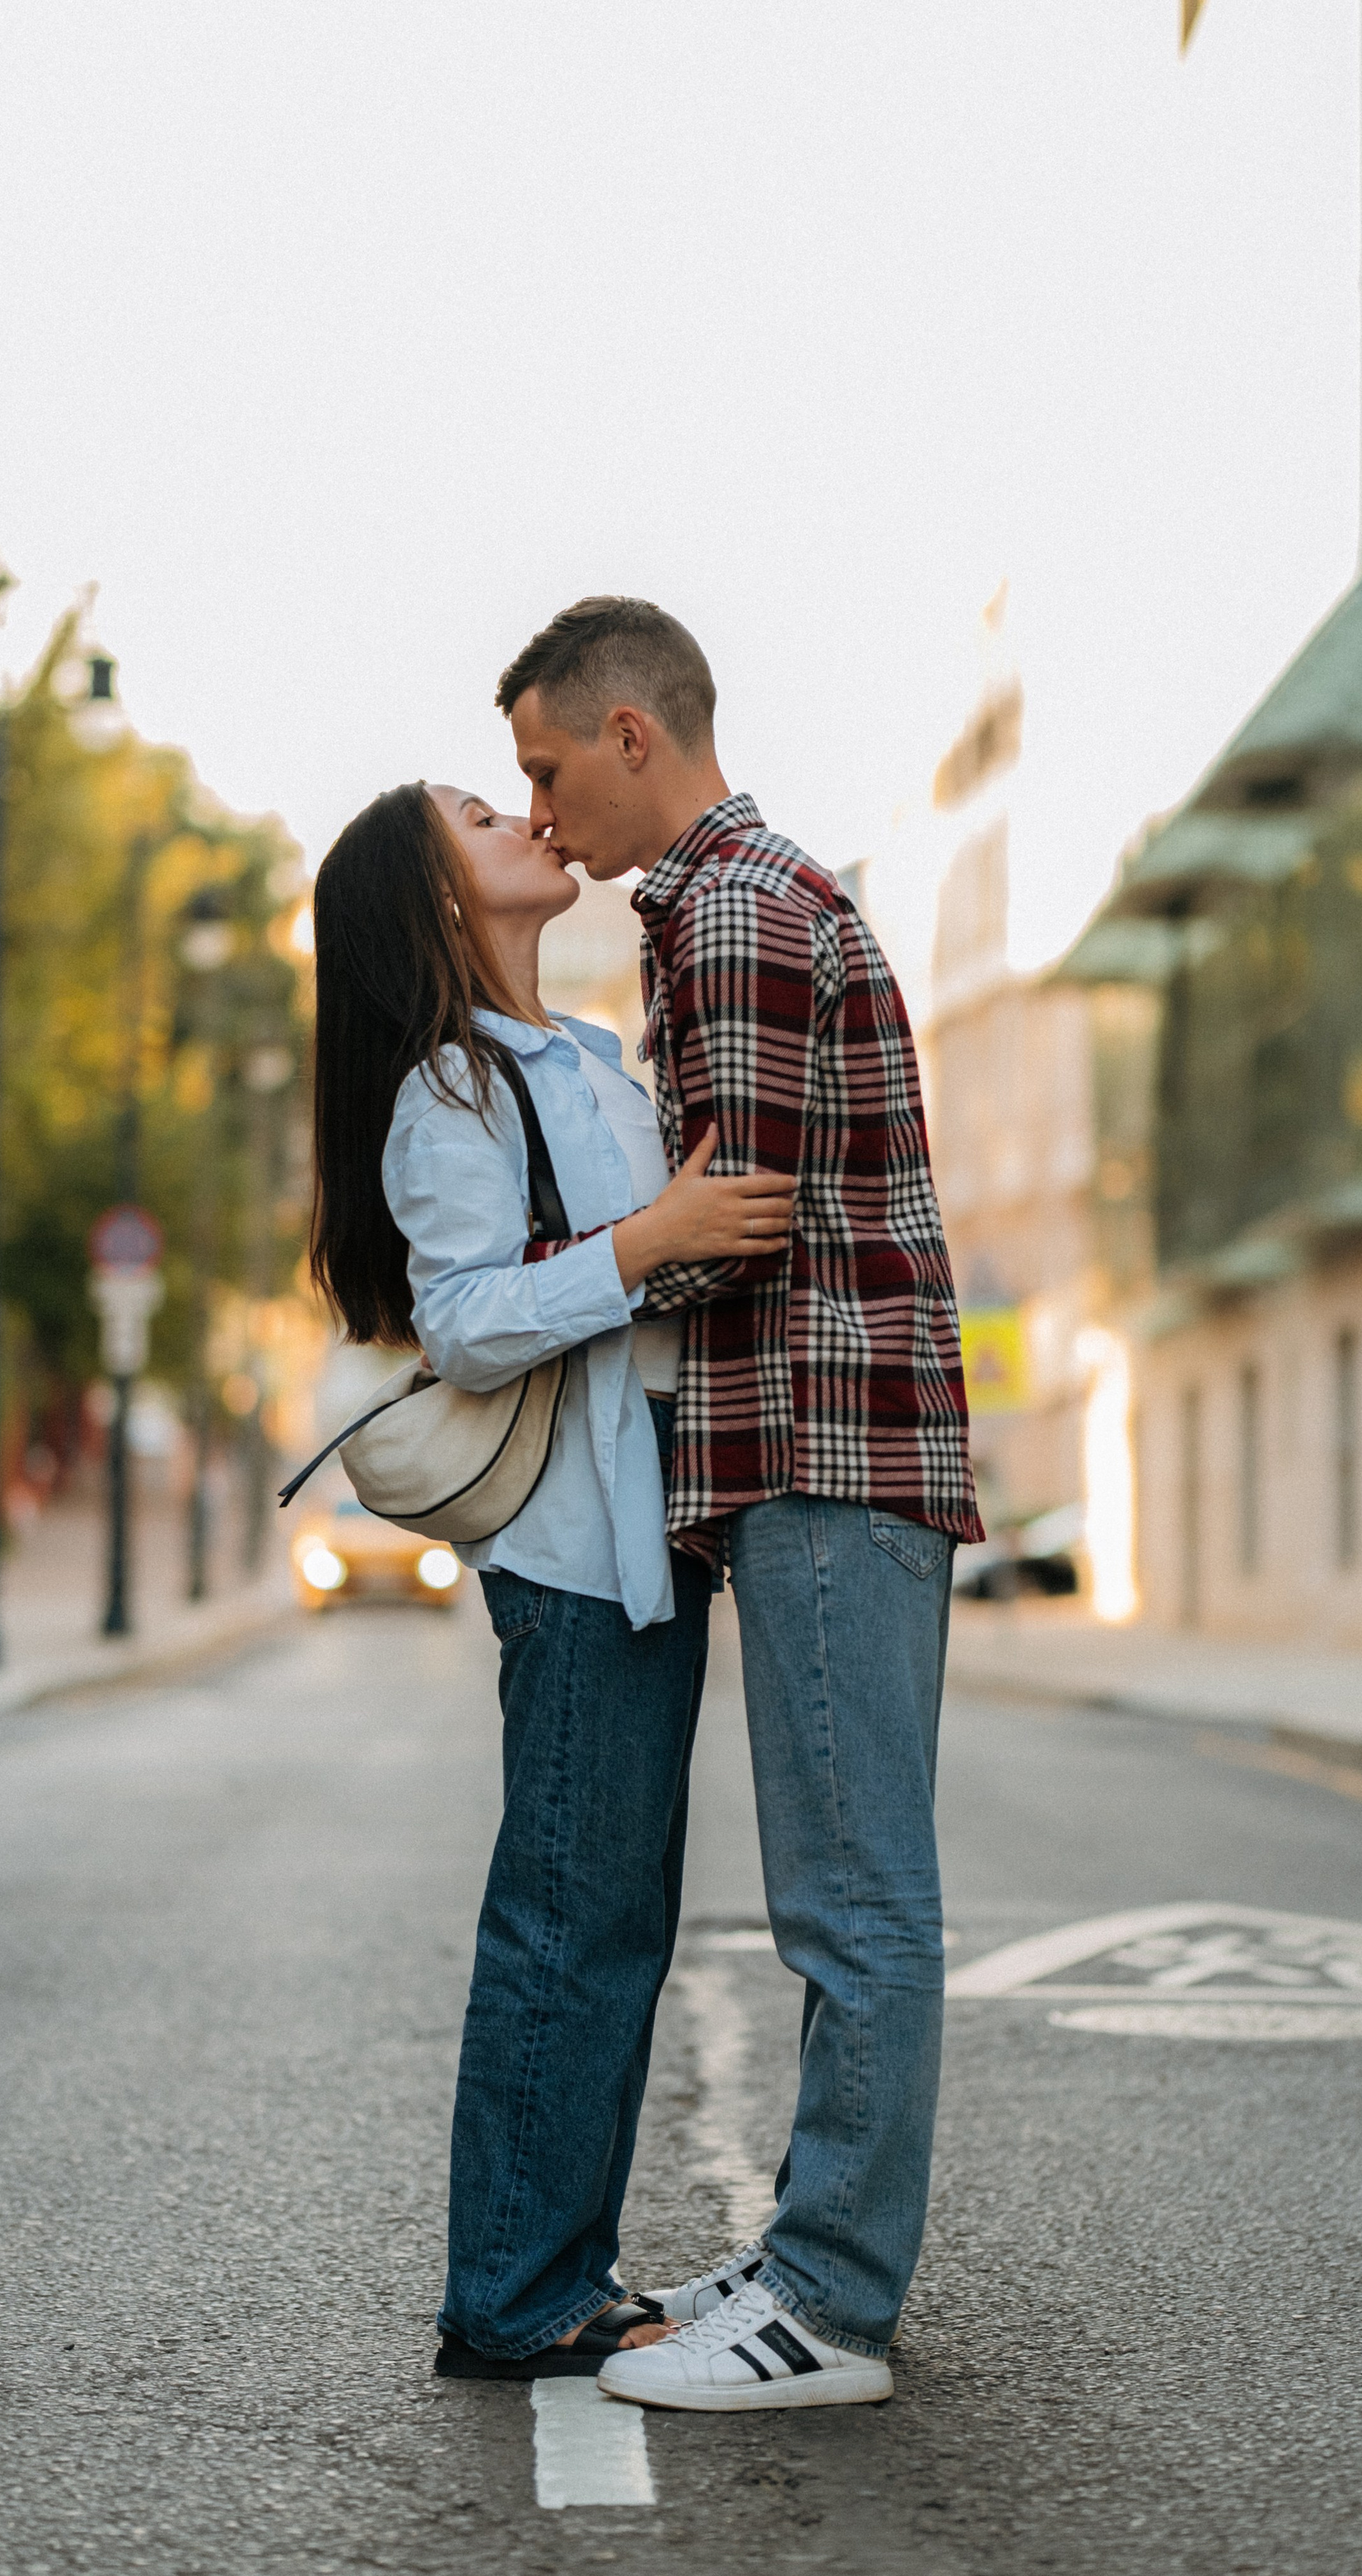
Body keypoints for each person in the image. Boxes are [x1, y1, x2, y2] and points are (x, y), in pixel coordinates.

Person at [496, 597, 984, 2413]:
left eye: (549, 768)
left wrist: (556, 1286)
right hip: (809, 1454)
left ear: (636, 734)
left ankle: (835, 2303)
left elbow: (739, 1211)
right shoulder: (735, 897)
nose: (540, 814)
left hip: (831, 1453)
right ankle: (805, 2254)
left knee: (856, 1900)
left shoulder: (732, 907)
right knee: (839, 1891)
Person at [307, 779, 797, 2380]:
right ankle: (514, 2296)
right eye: (474, 813)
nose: (519, 814)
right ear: (439, 900)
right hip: (571, 1553)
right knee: (565, 1922)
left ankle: (555, 2269)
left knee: (617, 1919)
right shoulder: (446, 1091)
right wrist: (654, 1237)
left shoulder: (582, 1054)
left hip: (649, 1533)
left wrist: (684, 1230)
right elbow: (459, 1319)